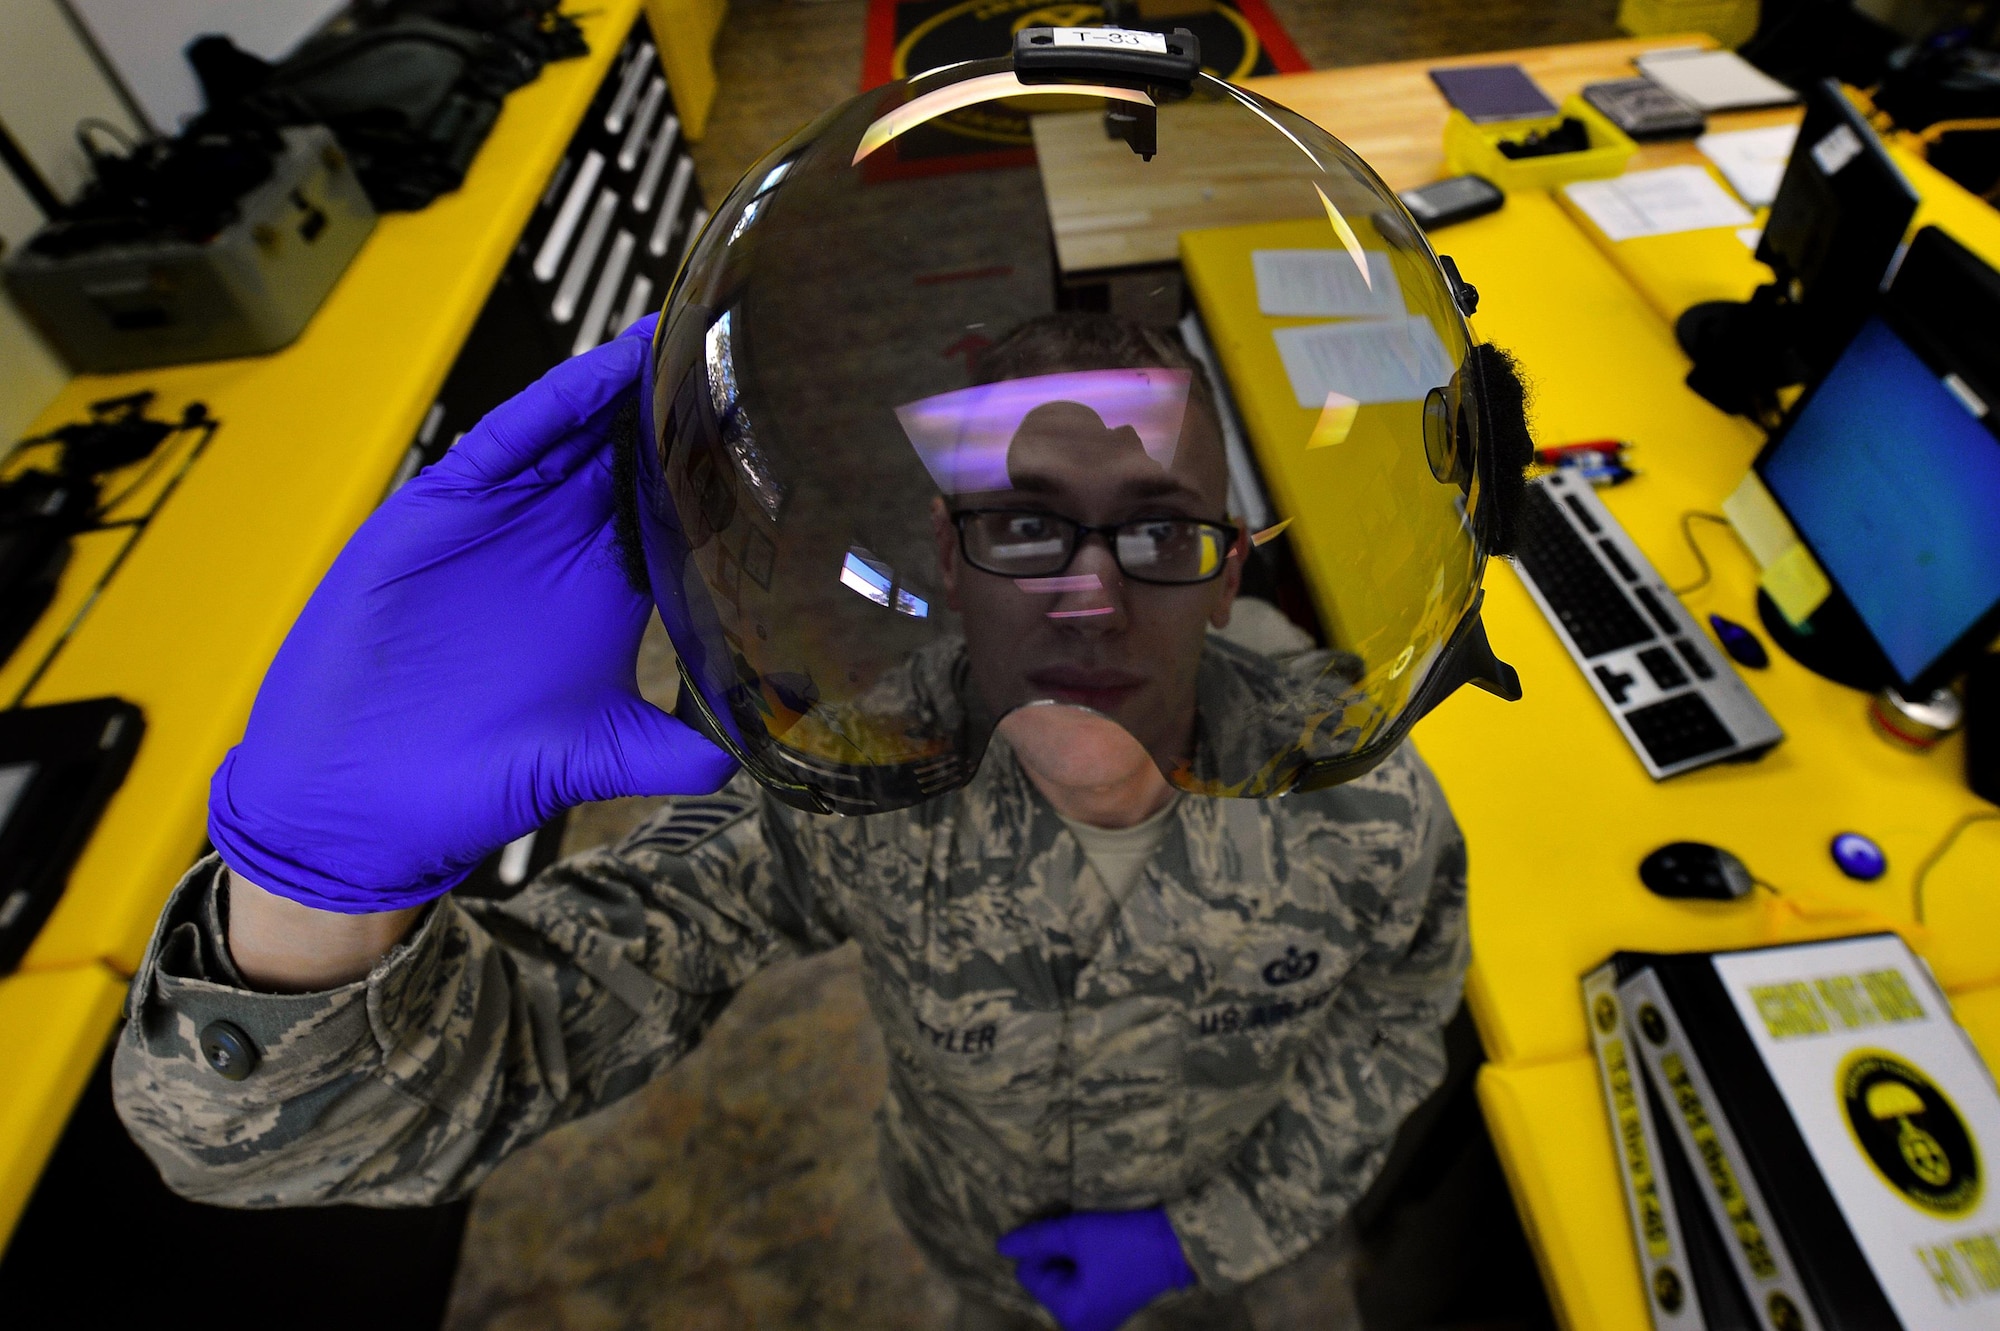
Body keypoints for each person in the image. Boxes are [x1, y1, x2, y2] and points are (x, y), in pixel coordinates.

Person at [115, 46, 1534, 1331]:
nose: (1088, 596)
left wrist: (1201, 1238)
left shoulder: (1372, 811)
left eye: (1159, 532)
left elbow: (1391, 1027)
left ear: (1229, 574)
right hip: (974, 1246)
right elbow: (296, 1138)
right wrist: (311, 887)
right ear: (949, 559)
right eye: (1025, 529)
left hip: (1244, 1271)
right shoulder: (855, 787)